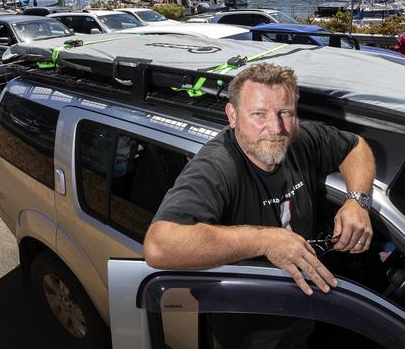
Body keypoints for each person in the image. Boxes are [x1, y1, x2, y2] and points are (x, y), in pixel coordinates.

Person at [144, 63, 375, 349]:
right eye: (259, 114)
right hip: (247, 328)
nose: (276, 128)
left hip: (303, 309)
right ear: (232, 115)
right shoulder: (217, 167)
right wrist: (265, 240)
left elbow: (356, 147)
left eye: (285, 113)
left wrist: (358, 201)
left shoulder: (300, 141)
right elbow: (160, 246)